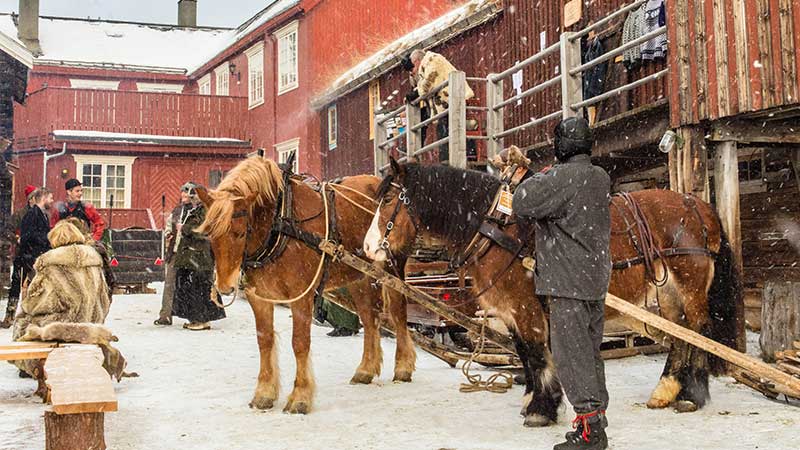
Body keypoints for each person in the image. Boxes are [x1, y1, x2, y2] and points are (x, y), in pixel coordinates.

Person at [512, 117, 612, 450]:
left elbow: (523, 201)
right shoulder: (599, 177)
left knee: (571, 357)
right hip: (594, 279)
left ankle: (590, 432)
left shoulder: (561, 178)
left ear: (563, 145)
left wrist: (530, 175)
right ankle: (598, 416)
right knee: (590, 353)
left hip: (567, 281)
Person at [11, 221, 111, 377]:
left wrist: (27, 306)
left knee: (23, 321)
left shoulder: (49, 263)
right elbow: (104, 300)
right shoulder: (95, 261)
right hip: (90, 324)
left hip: (60, 327)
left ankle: (32, 367)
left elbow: (37, 303)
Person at [170, 182, 225, 330]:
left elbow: (204, 230)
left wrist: (185, 228)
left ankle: (201, 319)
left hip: (198, 257)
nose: (183, 195)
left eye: (186, 192)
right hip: (191, 257)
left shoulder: (204, 210)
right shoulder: (193, 210)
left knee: (197, 289)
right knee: (192, 288)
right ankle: (196, 318)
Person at [404, 49, 474, 163]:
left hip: (453, 100)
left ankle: (450, 159)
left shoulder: (432, 60)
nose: (412, 71)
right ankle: (455, 158)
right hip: (449, 102)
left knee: (449, 129)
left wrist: (416, 94)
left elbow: (428, 82)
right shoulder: (427, 65)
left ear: (417, 61)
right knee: (451, 129)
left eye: (412, 67)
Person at [52, 178, 114, 293]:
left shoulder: (87, 207)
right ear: (68, 192)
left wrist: (94, 239)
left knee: (102, 253)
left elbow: (99, 223)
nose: (80, 194)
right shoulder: (59, 209)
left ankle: (107, 284)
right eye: (77, 191)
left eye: (81, 191)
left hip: (83, 243)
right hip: (64, 244)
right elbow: (53, 227)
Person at [154, 186, 193, 326]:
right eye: (183, 191)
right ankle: (165, 315)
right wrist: (168, 233)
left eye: (187, 192)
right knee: (169, 283)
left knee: (190, 285)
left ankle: (193, 316)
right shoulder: (177, 210)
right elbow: (169, 225)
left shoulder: (196, 211)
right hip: (175, 252)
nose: (184, 194)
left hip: (190, 253)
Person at [1, 185, 37, 328]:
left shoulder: (42, 214)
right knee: (16, 284)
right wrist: (17, 239)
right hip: (21, 254)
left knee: (35, 285)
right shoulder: (20, 215)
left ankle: (32, 317)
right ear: (31, 199)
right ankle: (10, 315)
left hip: (35, 256)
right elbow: (8, 230)